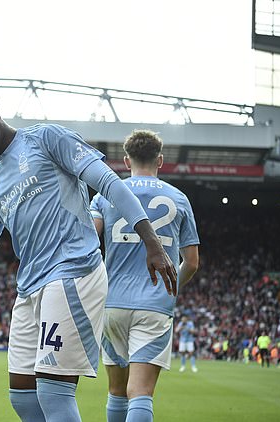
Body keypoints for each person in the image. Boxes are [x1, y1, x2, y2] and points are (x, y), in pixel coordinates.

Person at [0, 90, 177, 422]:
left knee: (53, 393)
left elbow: (110, 184)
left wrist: (152, 241)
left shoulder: (46, 139)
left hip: (73, 270)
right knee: (23, 398)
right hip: (29, 288)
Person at [89, 129, 200, 422]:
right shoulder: (179, 198)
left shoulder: (105, 195)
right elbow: (191, 261)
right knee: (140, 392)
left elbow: (86, 239)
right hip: (154, 303)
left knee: (116, 391)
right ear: (160, 160)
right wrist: (171, 286)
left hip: (112, 303)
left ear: (127, 161)